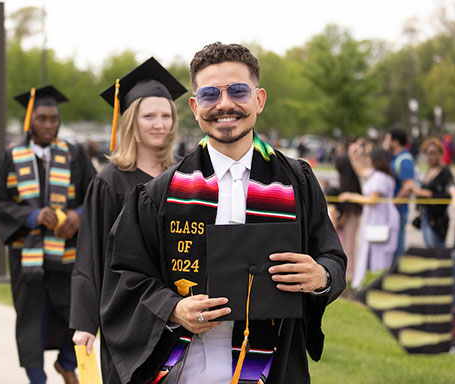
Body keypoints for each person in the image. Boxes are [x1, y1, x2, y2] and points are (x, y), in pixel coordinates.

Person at [99, 42, 346, 384]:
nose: (225, 104)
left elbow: (333, 257)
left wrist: (322, 277)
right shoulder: (161, 194)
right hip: (185, 370)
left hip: (271, 369)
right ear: (195, 106)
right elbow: (125, 275)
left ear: (259, 99)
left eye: (238, 91)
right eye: (211, 94)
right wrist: (172, 308)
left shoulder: (297, 182)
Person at [70, 58, 186, 379]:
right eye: (149, 116)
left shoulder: (184, 177)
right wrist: (84, 322)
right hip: (125, 312)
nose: (159, 124)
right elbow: (90, 252)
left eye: (166, 116)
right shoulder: (109, 181)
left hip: (179, 311)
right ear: (130, 122)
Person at [0, 86, 95, 384]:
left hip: (68, 253)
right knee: (31, 321)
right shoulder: (9, 157)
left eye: (53, 118)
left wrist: (78, 216)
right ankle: (37, 378)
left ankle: (66, 362)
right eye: (42, 118)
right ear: (29, 120)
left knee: (78, 312)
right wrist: (32, 216)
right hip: (27, 257)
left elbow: (96, 196)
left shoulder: (74, 154)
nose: (48, 125)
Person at [340, 140, 399, 288]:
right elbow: (360, 170)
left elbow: (373, 200)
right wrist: (353, 155)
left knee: (379, 256)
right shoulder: (378, 175)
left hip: (381, 222)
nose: (367, 159)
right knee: (370, 252)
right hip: (374, 220)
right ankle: (368, 283)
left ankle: (377, 284)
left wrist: (351, 196)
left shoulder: (380, 178)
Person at [411, 138, 453, 247]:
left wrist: (426, 193)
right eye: (428, 154)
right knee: (428, 248)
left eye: (434, 153)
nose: (431, 157)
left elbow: (447, 197)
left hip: (438, 219)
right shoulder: (428, 171)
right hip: (425, 215)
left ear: (440, 154)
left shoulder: (445, 173)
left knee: (436, 249)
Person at [383, 128, 415, 261]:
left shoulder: (404, 160)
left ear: (395, 141)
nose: (385, 141)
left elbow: (408, 186)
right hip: (395, 209)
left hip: (399, 210)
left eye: (387, 138)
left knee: (397, 246)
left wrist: (393, 204)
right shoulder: (395, 158)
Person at [334, 153, 362, 282]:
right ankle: (349, 274)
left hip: (350, 215)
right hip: (353, 214)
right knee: (348, 246)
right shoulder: (351, 179)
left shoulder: (347, 181)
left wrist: (343, 217)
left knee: (348, 246)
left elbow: (348, 205)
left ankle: (349, 276)